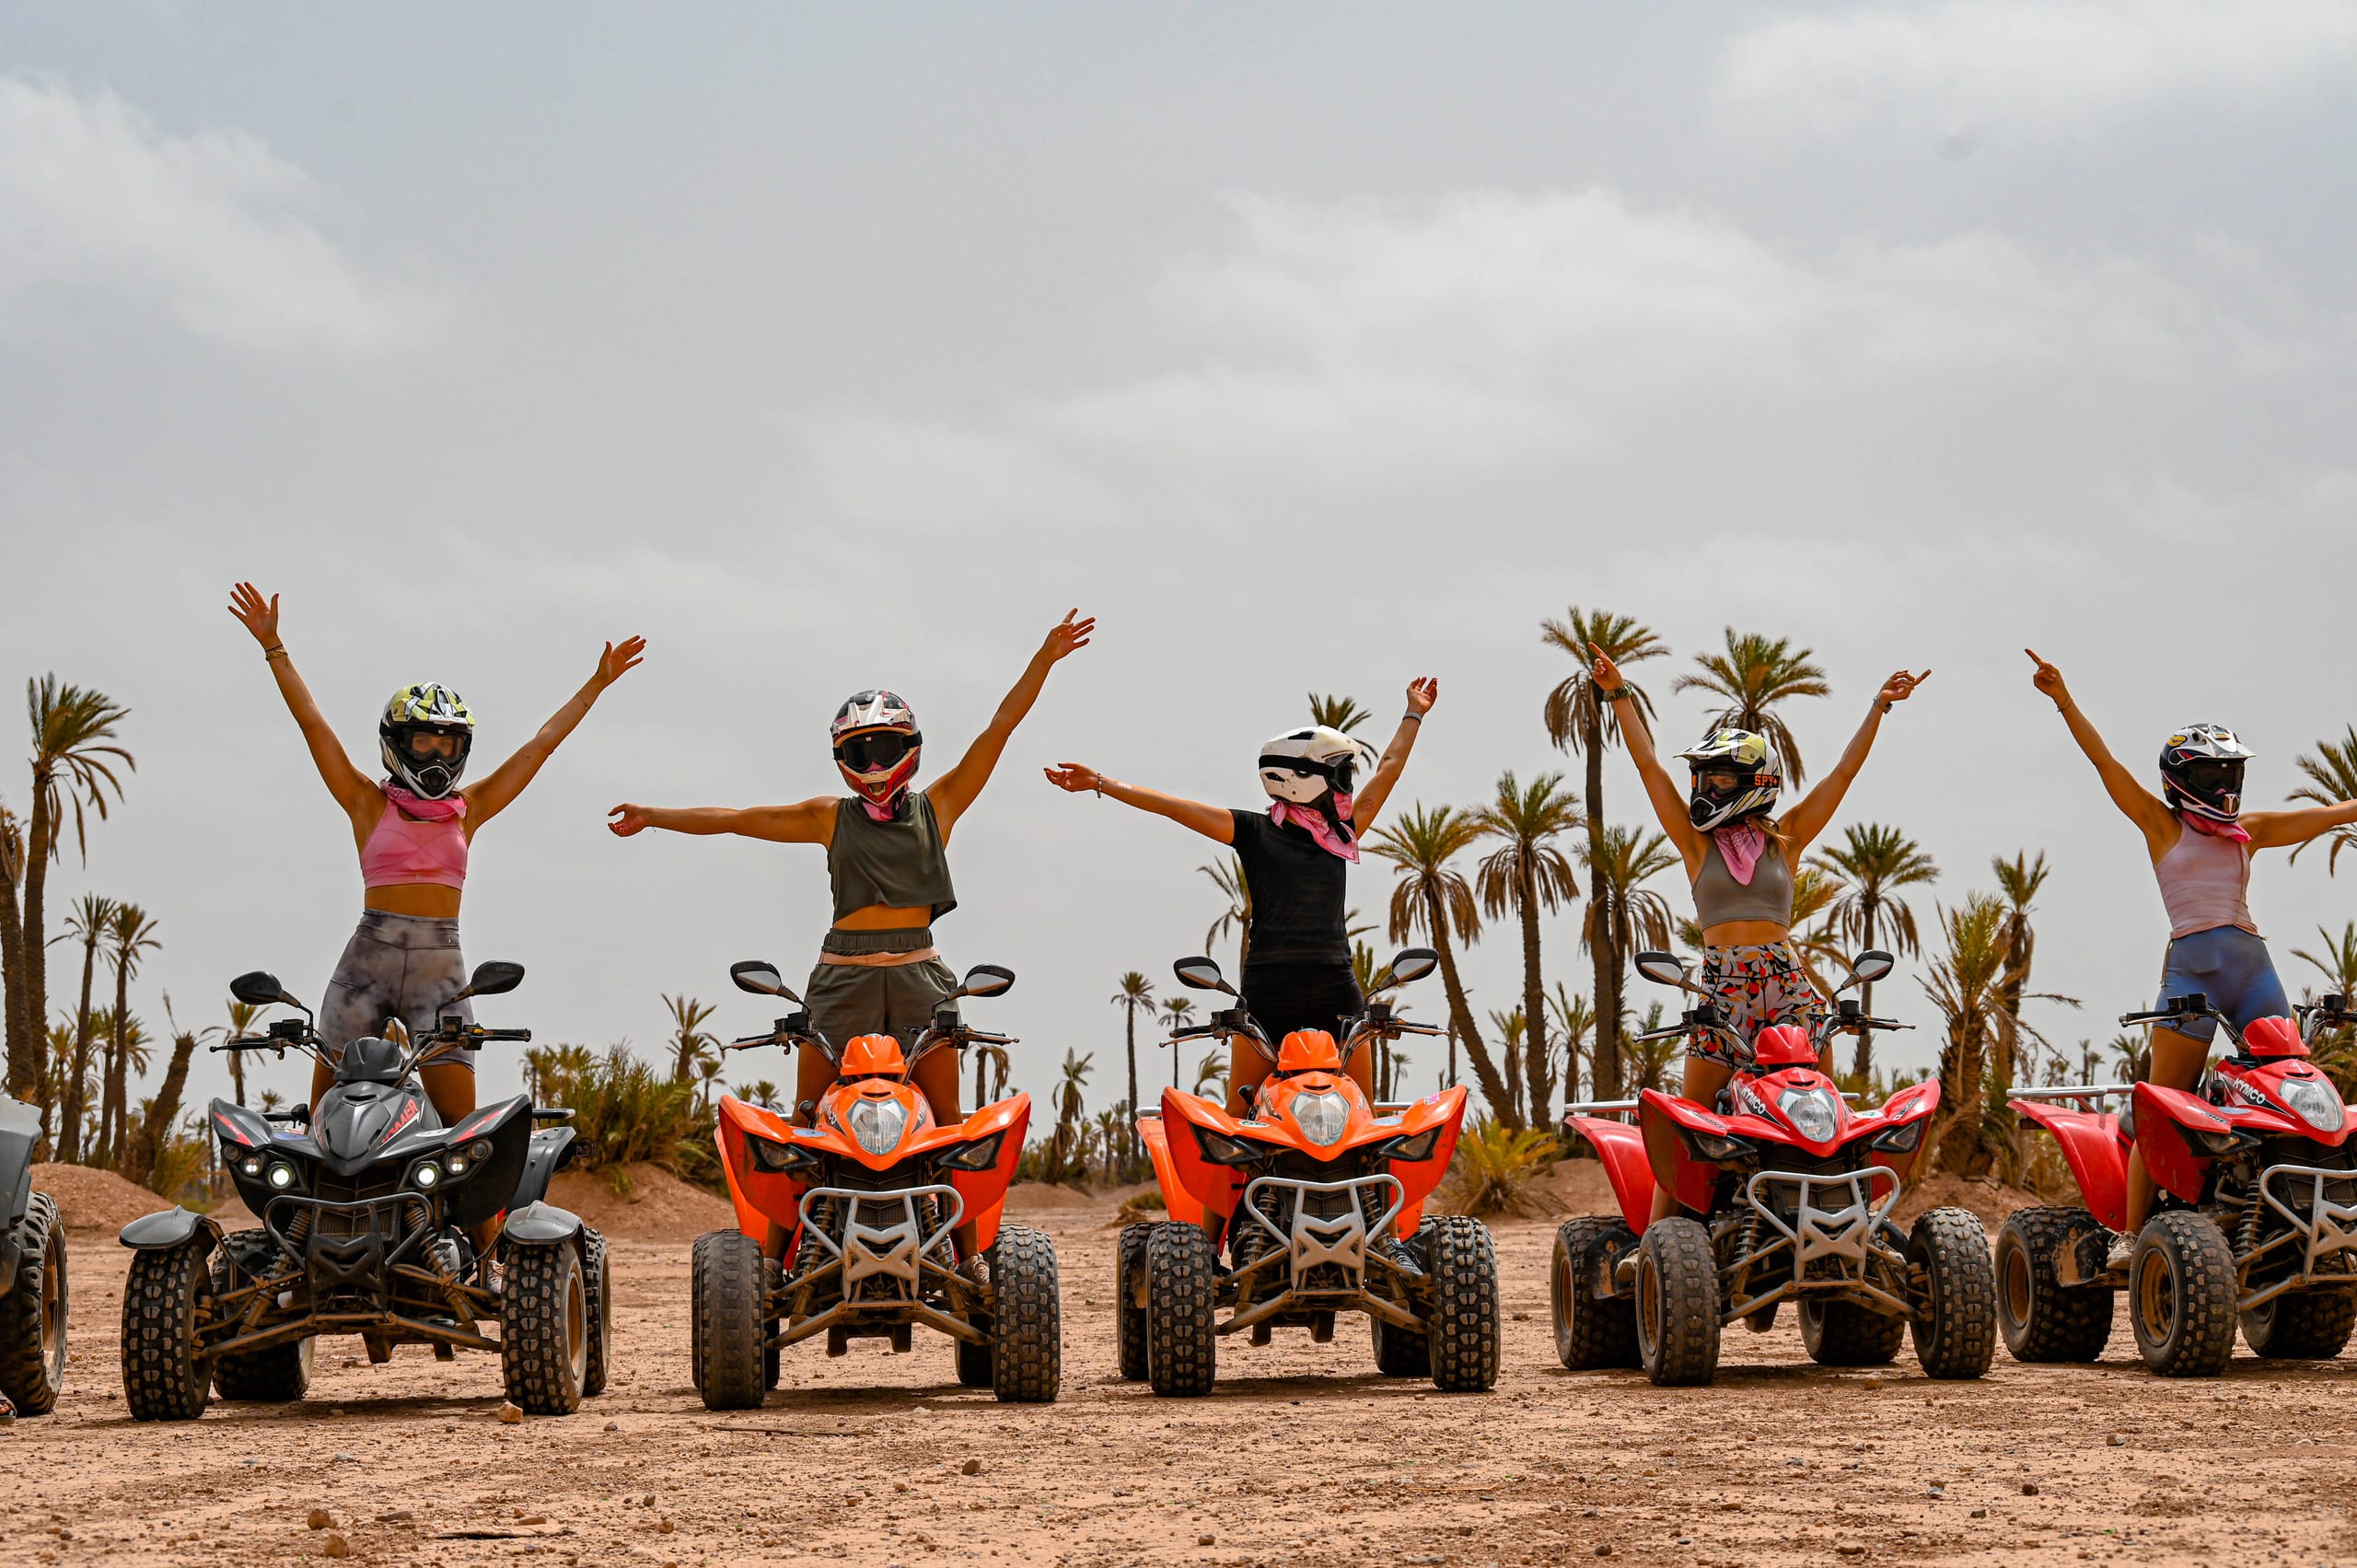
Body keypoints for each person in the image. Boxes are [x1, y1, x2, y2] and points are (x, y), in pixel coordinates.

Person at [607, 610, 1095, 1128]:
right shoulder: (829, 817)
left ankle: (957, 1212)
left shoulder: (941, 805)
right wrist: (653, 815)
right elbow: (736, 820)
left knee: (948, 1121)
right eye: (859, 753)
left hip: (919, 971)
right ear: (841, 757)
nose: (874, 765)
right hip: (843, 973)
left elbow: (1000, 727)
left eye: (885, 748)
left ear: (909, 746)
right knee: (807, 1119)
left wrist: (1043, 659)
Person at [226, 582, 645, 1125]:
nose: (436, 756)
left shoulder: (471, 808)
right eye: (423, 742)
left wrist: (597, 683)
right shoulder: (364, 802)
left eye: (448, 745)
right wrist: (273, 648)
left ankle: (472, 1217)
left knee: (462, 1140)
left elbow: (542, 742)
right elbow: (313, 724)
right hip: (364, 967)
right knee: (323, 1130)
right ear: (396, 743)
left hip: (440, 975)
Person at [2026, 649, 2357, 1265]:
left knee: (2295, 1084)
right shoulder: (2161, 825)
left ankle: (2280, 1209)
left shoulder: (2247, 830)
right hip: (2193, 975)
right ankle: (2129, 1234)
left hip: (2254, 967)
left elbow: (2327, 817)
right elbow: (2105, 762)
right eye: (2214, 776)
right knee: (2160, 1103)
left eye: (2232, 774)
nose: (2227, 788)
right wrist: (2063, 698)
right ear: (2183, 779)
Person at [1590, 645, 1928, 1223]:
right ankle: (1657, 1247)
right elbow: (1649, 767)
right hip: (1723, 985)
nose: (1706, 785)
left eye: (1718, 775)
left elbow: (1842, 774)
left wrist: (1879, 706)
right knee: (1687, 1122)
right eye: (1703, 775)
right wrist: (1619, 694)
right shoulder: (1697, 845)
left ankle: (1848, 1230)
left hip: (1787, 981)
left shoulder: (1786, 840)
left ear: (1755, 781)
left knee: (1825, 1119)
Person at [1043, 679, 1439, 1116]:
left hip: (1335, 984)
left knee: (1366, 1118)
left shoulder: (1339, 835)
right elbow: (1173, 806)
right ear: (1299, 780)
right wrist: (1100, 782)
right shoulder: (1251, 830)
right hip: (1270, 990)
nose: (1347, 790)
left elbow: (1388, 769)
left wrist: (1414, 713)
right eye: (1340, 778)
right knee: (1239, 1125)